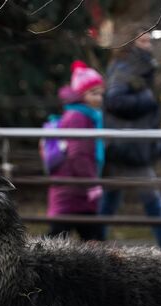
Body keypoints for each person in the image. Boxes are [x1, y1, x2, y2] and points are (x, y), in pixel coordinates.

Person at [100, 30, 161, 252]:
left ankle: (96, 242)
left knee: (112, 197)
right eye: (144, 40)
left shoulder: (139, 65)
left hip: (132, 144)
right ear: (131, 43)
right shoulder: (126, 67)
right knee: (150, 198)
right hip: (129, 145)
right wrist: (146, 99)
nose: (149, 45)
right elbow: (114, 100)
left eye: (149, 40)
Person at [47, 60, 105, 241]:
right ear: (81, 94)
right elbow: (78, 154)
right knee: (59, 238)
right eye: (94, 93)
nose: (99, 98)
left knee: (67, 237)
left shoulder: (85, 116)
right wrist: (91, 183)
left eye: (101, 94)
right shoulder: (79, 117)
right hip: (74, 188)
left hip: (74, 188)